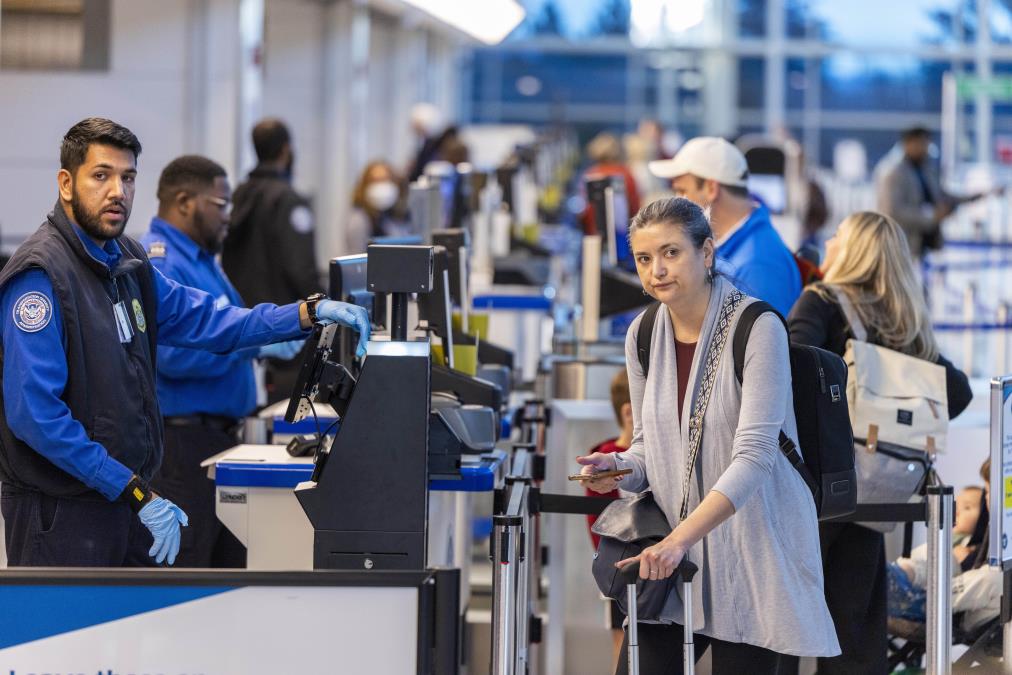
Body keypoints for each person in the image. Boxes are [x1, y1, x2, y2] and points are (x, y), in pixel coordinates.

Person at [0, 118, 370, 568]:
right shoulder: (42, 277)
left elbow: (209, 319)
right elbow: (36, 415)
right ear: (66, 183)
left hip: (122, 498)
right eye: (101, 176)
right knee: (64, 638)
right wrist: (131, 488)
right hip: (64, 509)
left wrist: (305, 314)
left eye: (128, 177)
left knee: (135, 634)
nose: (117, 190)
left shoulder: (128, 264)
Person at [578, 197, 839, 673]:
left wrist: (679, 539)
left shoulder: (757, 328)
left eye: (671, 252)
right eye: (643, 258)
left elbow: (755, 456)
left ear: (707, 253)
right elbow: (648, 449)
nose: (656, 269)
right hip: (672, 553)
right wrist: (619, 468)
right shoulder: (642, 333)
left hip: (753, 545)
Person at [786, 210, 973, 673]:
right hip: (878, 493)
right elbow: (959, 392)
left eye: (837, 236)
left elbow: (788, 366)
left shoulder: (822, 301)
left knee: (783, 623)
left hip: (814, 488)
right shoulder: (905, 323)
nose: (828, 243)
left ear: (852, 251)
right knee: (856, 632)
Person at [140, 155, 304, 567]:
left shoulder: (199, 258)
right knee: (188, 570)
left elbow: (227, 325)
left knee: (224, 568)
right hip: (182, 446)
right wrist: (254, 348)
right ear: (184, 202)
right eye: (221, 204)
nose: (229, 216)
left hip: (214, 439)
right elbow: (171, 357)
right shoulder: (162, 264)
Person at [222, 118, 321, 402]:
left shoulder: (237, 196)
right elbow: (301, 270)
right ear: (286, 150)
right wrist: (324, 306)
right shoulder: (288, 200)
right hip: (286, 331)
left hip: (244, 326)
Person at [648, 136, 801, 317]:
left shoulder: (758, 265)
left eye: (683, 191)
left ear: (711, 189)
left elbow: (762, 342)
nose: (677, 200)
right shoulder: (737, 250)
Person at [888, 484, 998, 634]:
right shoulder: (974, 541)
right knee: (938, 551)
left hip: (971, 610)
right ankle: (897, 576)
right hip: (957, 596)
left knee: (992, 576)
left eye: (967, 508)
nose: (988, 497)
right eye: (988, 490)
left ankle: (915, 596)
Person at [877, 126, 992, 258]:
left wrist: (974, 197)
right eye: (922, 144)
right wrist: (931, 216)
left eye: (927, 144)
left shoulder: (925, 168)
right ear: (908, 143)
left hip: (923, 242)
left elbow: (941, 195)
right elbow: (892, 211)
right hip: (901, 244)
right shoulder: (892, 172)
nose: (926, 149)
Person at [584, 368, 634, 670]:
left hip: (643, 566)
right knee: (623, 644)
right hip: (619, 568)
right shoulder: (608, 459)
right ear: (629, 412)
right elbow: (599, 525)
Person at [582, 132, 641, 235]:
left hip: (594, 233)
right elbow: (634, 207)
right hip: (623, 235)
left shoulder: (590, 174)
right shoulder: (625, 174)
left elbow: (585, 211)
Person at [346, 160, 411, 253]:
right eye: (375, 181)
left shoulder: (399, 215)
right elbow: (357, 258)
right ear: (365, 186)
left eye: (385, 179)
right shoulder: (359, 219)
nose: (381, 185)